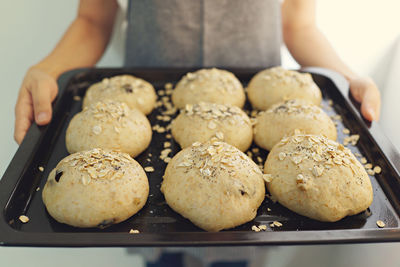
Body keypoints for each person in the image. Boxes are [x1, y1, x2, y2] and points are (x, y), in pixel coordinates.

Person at [13, 0, 382, 266]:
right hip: (155, 90)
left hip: (254, 94)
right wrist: (50, 68)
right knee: (165, 257)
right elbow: (93, 18)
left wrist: (345, 79)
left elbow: (298, 24)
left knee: (237, 256)